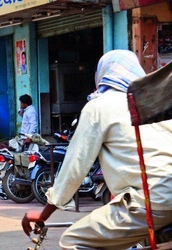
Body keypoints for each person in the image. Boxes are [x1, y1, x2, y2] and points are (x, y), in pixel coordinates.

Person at [21, 50, 172, 249]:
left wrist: (45, 212)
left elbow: (76, 164)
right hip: (162, 192)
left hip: (151, 200)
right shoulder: (154, 105)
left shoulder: (100, 106)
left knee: (72, 240)